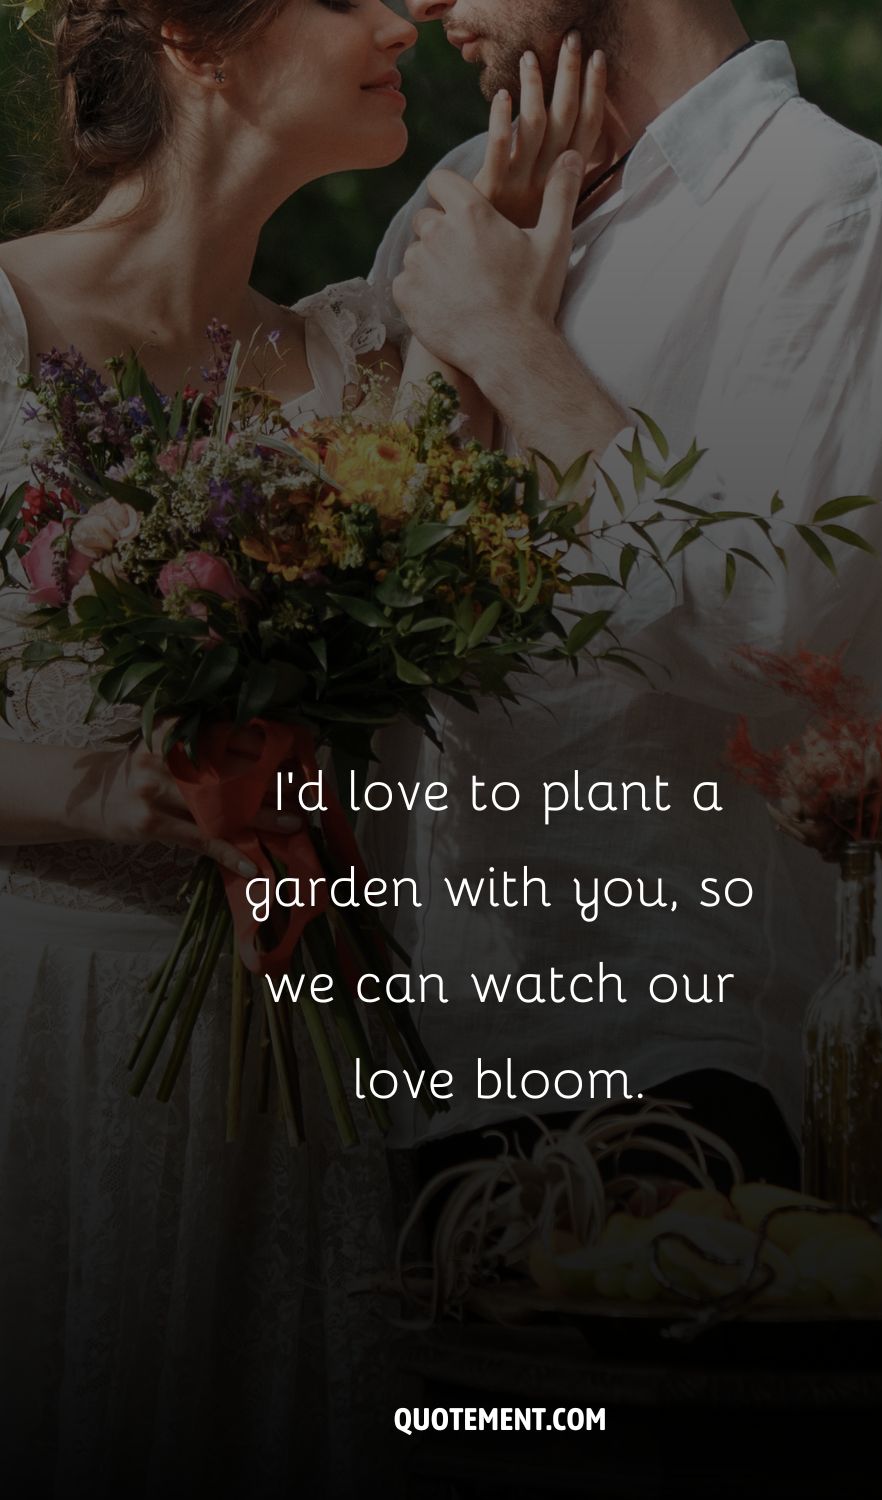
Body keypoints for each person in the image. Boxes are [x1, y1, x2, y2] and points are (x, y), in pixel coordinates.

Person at [0, 0, 584, 1490]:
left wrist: (503, 300)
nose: (401, 17)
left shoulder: (362, 357)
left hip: (300, 1077)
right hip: (43, 1055)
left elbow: (458, 637)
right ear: (196, 37)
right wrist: (140, 792)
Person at [363, 0, 882, 1174]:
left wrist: (519, 348)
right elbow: (379, 597)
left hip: (673, 1061)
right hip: (420, 1052)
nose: (421, 5)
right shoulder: (469, 192)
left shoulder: (828, 206)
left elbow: (783, 635)